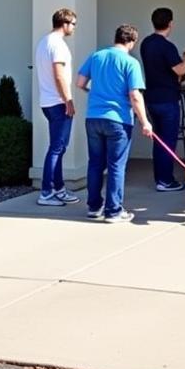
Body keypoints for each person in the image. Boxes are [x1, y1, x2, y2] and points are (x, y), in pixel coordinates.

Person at [76, 24, 154, 222]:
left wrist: (93, 94)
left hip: (93, 117)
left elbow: (80, 83)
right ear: (132, 42)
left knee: (95, 163)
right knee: (116, 166)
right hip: (118, 120)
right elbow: (135, 95)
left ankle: (94, 207)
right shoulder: (131, 62)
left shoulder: (97, 56)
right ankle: (113, 211)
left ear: (116, 38)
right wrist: (145, 122)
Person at [139, 7, 185, 192]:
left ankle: (160, 178)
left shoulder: (146, 43)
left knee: (159, 140)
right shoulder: (167, 46)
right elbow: (180, 70)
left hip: (151, 98)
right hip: (167, 99)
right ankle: (166, 180)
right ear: (170, 24)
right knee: (168, 141)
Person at [34, 7, 80, 206]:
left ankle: (58, 188)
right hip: (58, 102)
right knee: (57, 148)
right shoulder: (58, 45)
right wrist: (68, 101)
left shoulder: (44, 42)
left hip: (47, 101)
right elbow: (59, 75)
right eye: (73, 24)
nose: (74, 28)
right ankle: (46, 192)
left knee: (59, 148)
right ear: (65, 23)